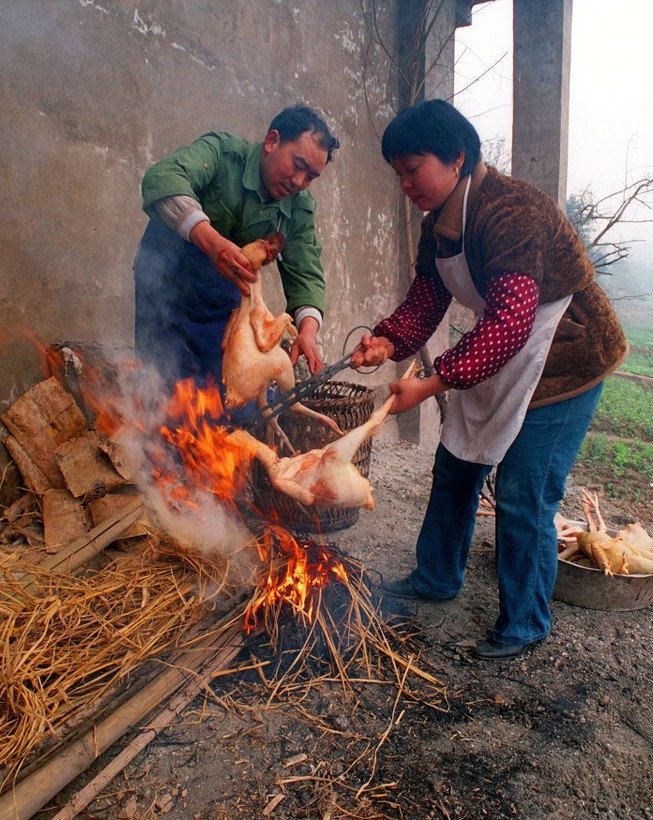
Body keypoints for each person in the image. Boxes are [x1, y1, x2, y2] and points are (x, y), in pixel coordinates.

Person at [352, 99, 628, 660]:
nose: (406, 183)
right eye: (398, 173)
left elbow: (512, 319)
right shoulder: (439, 228)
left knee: (525, 487)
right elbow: (426, 300)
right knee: (457, 460)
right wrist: (387, 340)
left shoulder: (512, 211)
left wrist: (432, 385)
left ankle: (525, 621)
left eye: (414, 168)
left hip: (567, 351)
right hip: (506, 344)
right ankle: (435, 578)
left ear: (457, 158)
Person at [135, 104, 339, 395]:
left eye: (310, 177)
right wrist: (210, 240)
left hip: (224, 298)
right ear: (272, 141)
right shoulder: (223, 153)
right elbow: (162, 178)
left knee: (224, 397)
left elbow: (306, 272)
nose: (298, 182)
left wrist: (308, 329)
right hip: (166, 282)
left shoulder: (299, 208)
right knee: (162, 388)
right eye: (297, 164)